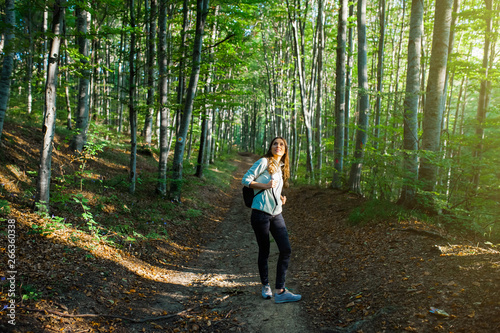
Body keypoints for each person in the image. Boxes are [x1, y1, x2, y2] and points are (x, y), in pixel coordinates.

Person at [241, 137, 301, 304]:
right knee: (265, 250)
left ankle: (280, 290)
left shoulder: (281, 166)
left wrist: (280, 198)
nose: (278, 146)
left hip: (277, 213)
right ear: (271, 147)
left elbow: (274, 187)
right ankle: (266, 286)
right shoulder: (264, 162)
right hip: (260, 213)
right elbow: (245, 180)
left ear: (285, 149)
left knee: (286, 249)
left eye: (281, 144)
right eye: (275, 143)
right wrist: (265, 186)